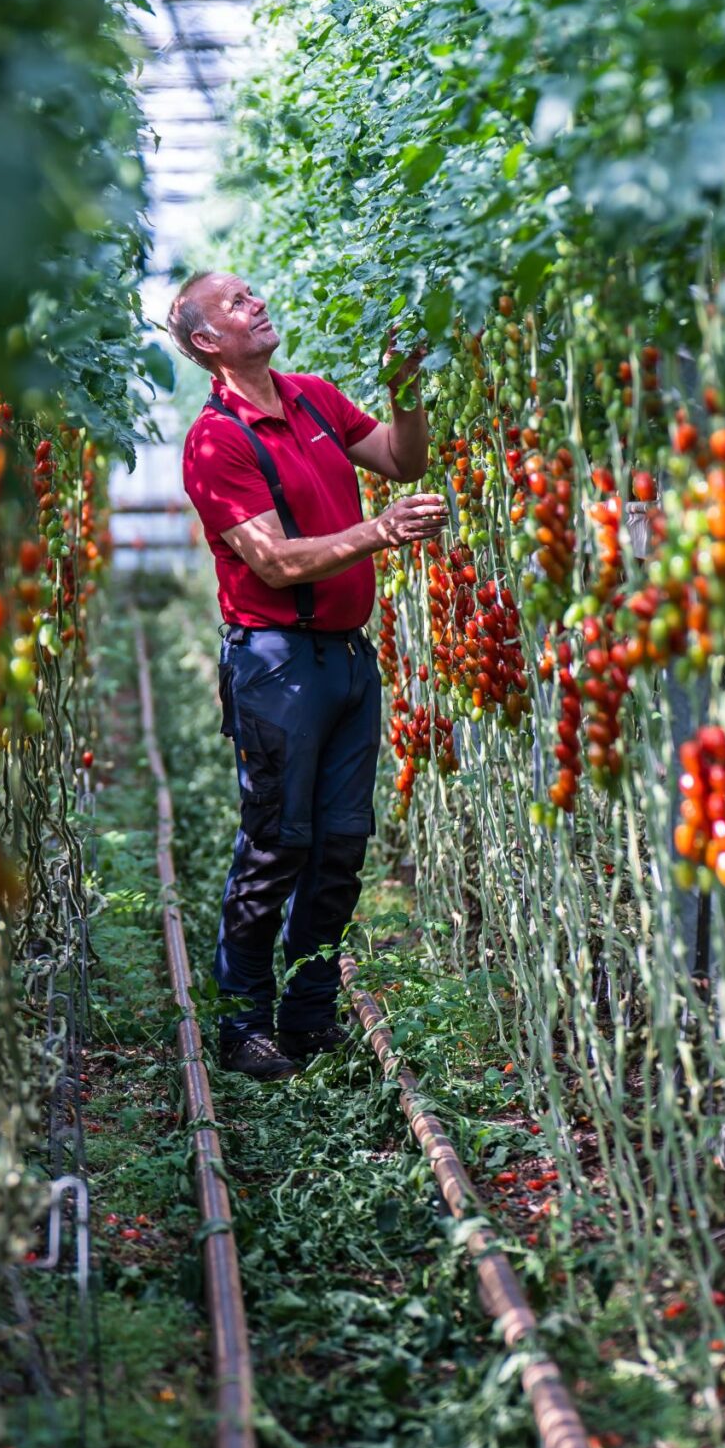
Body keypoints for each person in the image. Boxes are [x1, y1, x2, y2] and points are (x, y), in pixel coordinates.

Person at [172, 271, 446, 1080]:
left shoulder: (314, 399)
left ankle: (309, 1014)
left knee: (341, 845)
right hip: (276, 665)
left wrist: (404, 388)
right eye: (236, 303)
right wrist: (379, 531)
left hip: (347, 660)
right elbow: (274, 561)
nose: (256, 303)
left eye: (252, 293)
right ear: (206, 342)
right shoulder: (216, 440)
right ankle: (243, 1023)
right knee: (277, 843)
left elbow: (402, 458)